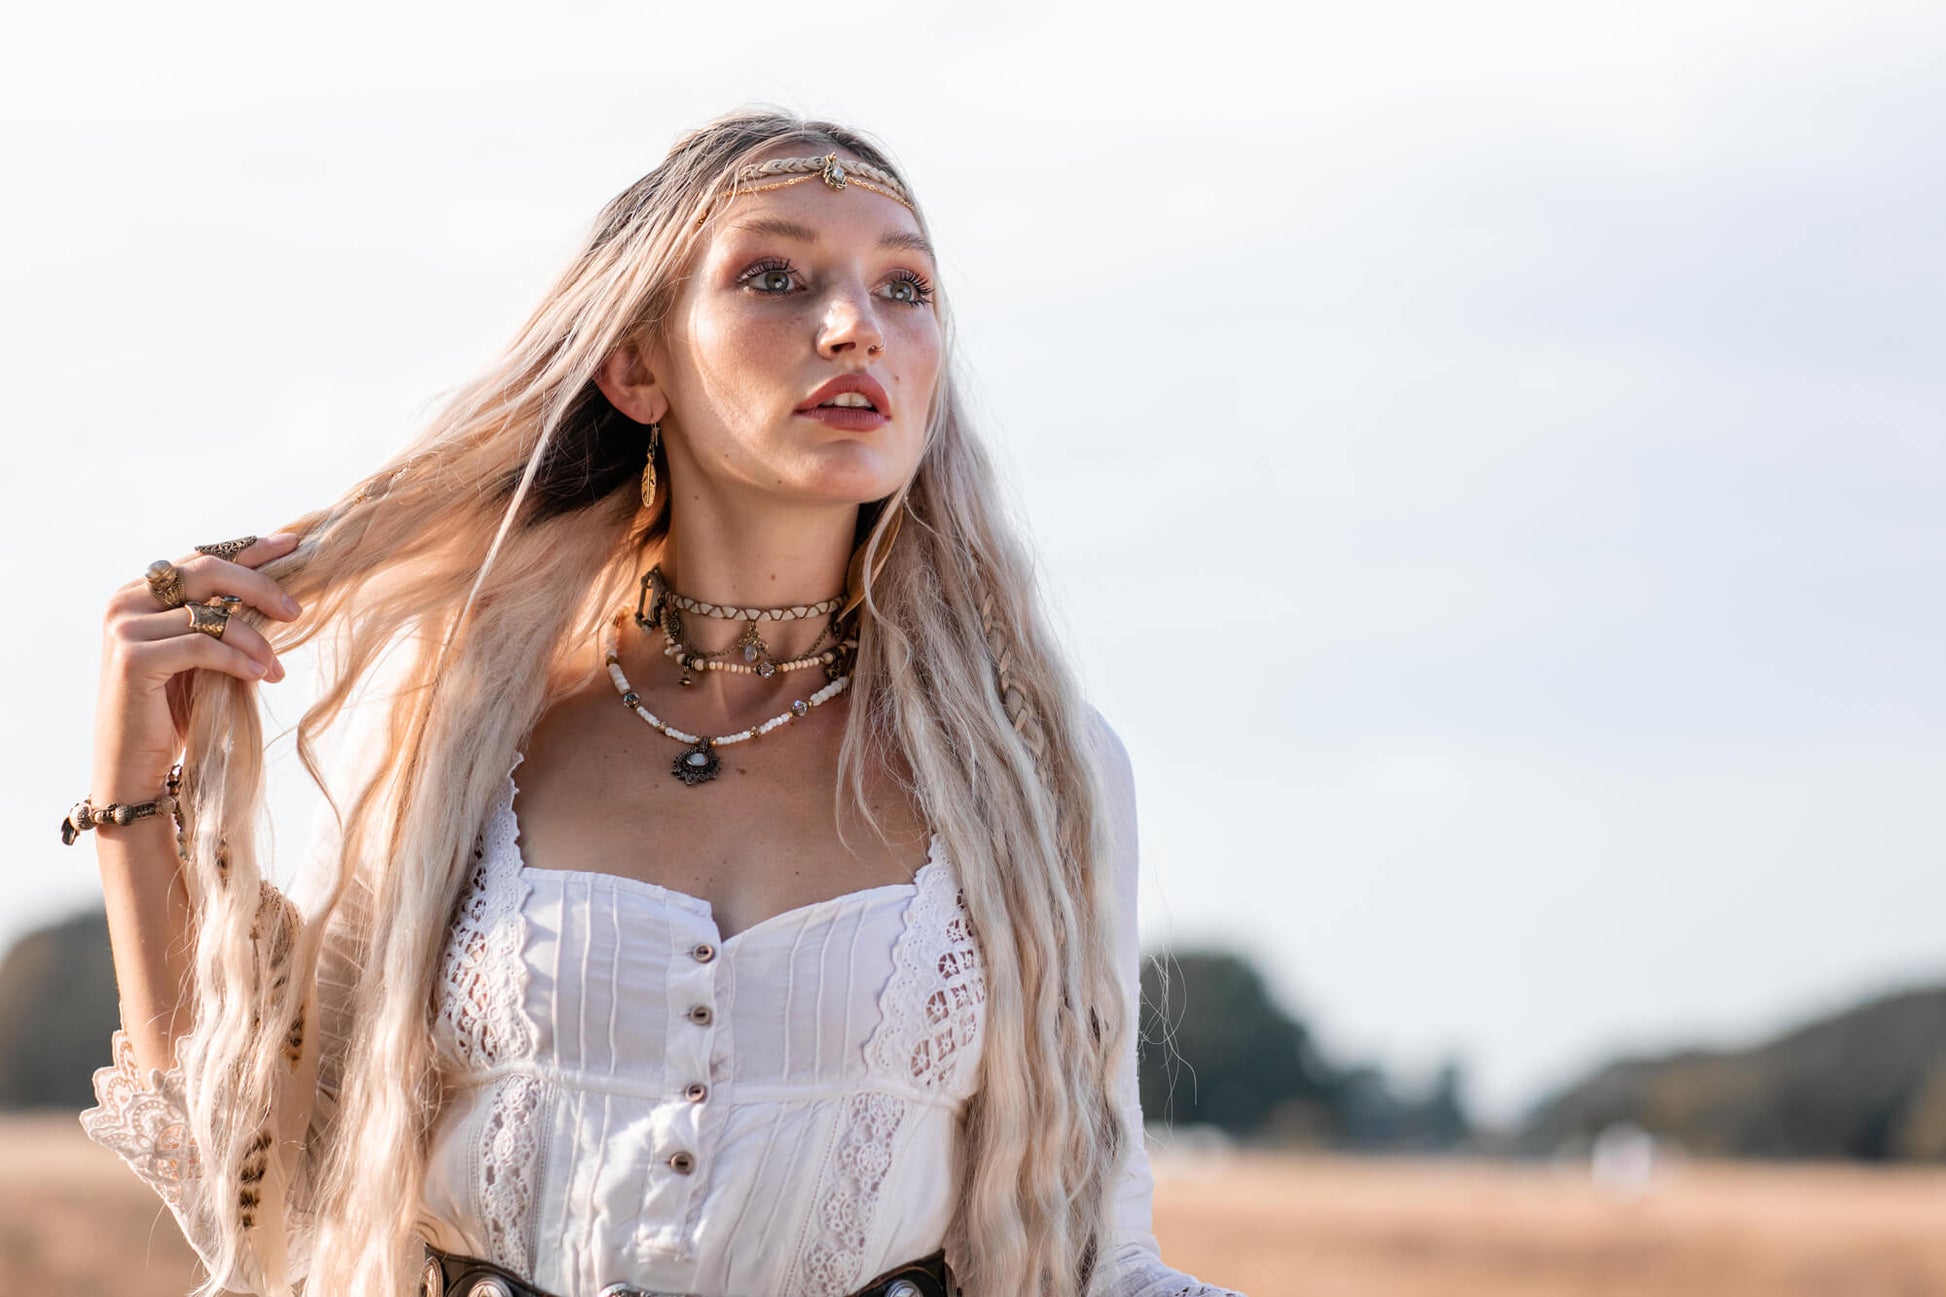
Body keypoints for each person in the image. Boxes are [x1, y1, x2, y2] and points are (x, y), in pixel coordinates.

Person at [70, 107, 1245, 1297]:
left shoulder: (1030, 767)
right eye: (776, 277)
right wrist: (133, 791)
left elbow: (1100, 1250)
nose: (854, 328)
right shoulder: (460, 724)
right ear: (637, 366)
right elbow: (265, 1171)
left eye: (905, 288)